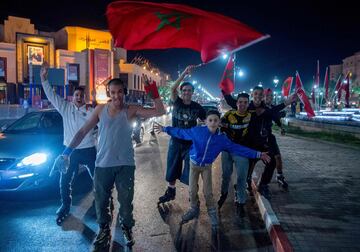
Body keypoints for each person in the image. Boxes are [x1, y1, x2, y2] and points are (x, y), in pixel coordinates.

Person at [55, 76, 165, 250]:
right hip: (103, 165)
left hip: (125, 165)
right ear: (109, 93)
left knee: (126, 202)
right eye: (113, 92)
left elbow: (160, 111)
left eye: (120, 92)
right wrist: (66, 153)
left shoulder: (131, 110)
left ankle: (127, 227)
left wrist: (153, 91)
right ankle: (104, 230)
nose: (117, 96)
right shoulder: (100, 110)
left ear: (124, 92)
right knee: (101, 201)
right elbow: (83, 131)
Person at [154, 110, 270, 229]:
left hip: (206, 167)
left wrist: (258, 154)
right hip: (194, 165)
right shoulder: (197, 131)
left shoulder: (222, 139)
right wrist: (165, 129)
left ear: (219, 122)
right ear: (205, 121)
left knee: (208, 192)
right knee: (192, 190)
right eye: (210, 120)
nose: (213, 122)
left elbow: (237, 148)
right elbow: (181, 132)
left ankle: (212, 213)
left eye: (215, 120)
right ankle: (193, 208)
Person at [40, 62, 97, 225]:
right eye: (76, 95)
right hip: (70, 151)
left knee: (98, 179)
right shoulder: (65, 107)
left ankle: (100, 203)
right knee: (64, 180)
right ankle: (65, 205)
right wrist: (44, 80)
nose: (79, 98)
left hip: (89, 150)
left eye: (81, 95)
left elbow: (103, 125)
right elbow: (51, 95)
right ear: (72, 97)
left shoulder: (91, 111)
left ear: (85, 97)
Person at [158, 65, 206, 204]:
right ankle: (170, 192)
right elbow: (172, 88)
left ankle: (193, 195)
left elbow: (206, 120)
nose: (186, 92)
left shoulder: (197, 107)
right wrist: (184, 73)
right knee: (172, 167)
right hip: (176, 141)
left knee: (191, 171)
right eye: (184, 90)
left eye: (189, 91)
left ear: (193, 93)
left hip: (191, 144)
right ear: (181, 92)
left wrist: (215, 125)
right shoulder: (177, 102)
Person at [217, 93, 253, 216]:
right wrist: (221, 125)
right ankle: (223, 195)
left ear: (248, 104)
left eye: (245, 102)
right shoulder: (229, 114)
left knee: (242, 177)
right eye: (240, 102)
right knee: (226, 175)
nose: (242, 104)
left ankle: (241, 202)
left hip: (241, 150)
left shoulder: (251, 115)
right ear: (236, 103)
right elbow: (219, 123)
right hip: (227, 150)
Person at [264, 88, 288, 190]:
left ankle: (279, 175)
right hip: (257, 137)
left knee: (277, 156)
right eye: (267, 96)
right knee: (253, 159)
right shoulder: (258, 107)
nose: (270, 98)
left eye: (271, 96)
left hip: (269, 136)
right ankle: (248, 178)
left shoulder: (273, 108)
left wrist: (281, 128)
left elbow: (277, 119)